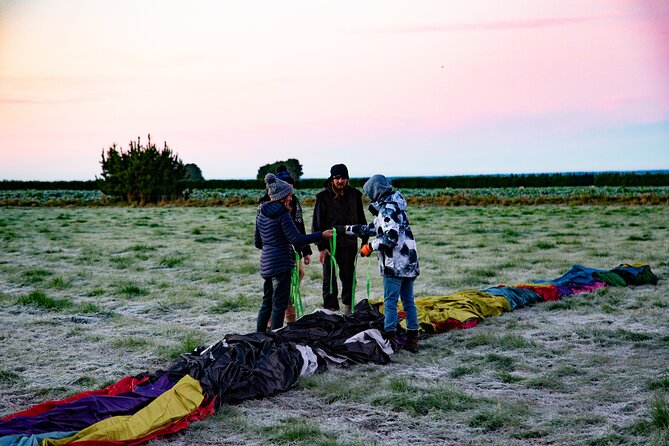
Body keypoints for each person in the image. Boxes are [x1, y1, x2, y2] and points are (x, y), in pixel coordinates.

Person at [335, 174, 420, 352]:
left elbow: (390, 237)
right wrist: (346, 229)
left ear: (375, 191)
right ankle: (413, 339)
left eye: (369, 193)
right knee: (408, 301)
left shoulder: (387, 209)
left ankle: (390, 338)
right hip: (409, 263)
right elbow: (372, 228)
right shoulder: (394, 206)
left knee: (390, 302)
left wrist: (369, 247)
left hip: (395, 264)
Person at [255, 173, 333, 331]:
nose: (291, 197)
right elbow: (296, 239)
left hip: (266, 265)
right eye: (289, 195)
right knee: (279, 304)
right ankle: (275, 339)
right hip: (281, 264)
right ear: (282, 196)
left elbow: (258, 242)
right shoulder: (283, 215)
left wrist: (272, 243)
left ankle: (259, 336)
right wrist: (321, 235)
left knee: (266, 303)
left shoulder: (261, 212)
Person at [258, 165, 312, 324]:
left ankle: (290, 321)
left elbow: (299, 225)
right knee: (277, 296)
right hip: (279, 254)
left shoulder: (294, 201)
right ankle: (272, 327)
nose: (290, 191)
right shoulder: (265, 205)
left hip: (291, 250)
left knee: (294, 283)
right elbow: (261, 234)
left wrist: (306, 251)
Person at [312, 163, 368, 315]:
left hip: (349, 243)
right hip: (329, 245)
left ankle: (348, 311)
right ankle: (330, 312)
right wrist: (321, 248)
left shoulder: (355, 195)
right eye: (337, 178)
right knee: (329, 279)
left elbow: (361, 220)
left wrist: (364, 241)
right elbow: (317, 224)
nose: (340, 181)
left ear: (347, 179)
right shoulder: (322, 198)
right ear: (332, 179)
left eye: (343, 178)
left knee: (349, 277)